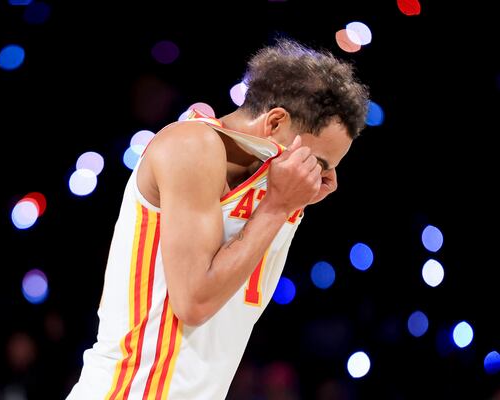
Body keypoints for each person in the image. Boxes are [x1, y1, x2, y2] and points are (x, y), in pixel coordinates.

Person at [67, 38, 369, 399]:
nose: (318, 180)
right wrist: (277, 208)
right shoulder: (191, 146)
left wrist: (285, 205)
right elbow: (194, 303)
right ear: (274, 122)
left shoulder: (273, 183)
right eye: (317, 164)